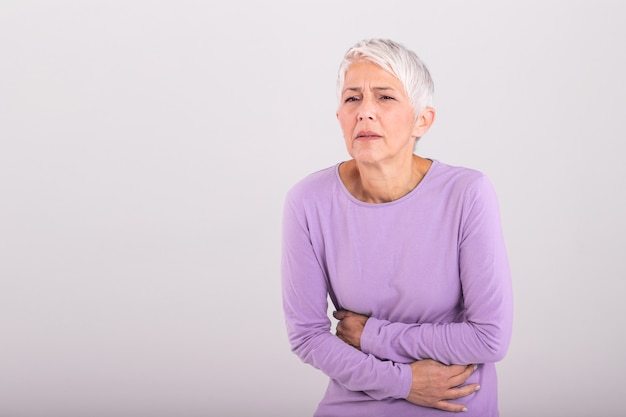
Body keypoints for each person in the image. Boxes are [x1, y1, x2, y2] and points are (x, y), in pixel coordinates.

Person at [281, 38, 513, 416]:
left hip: (451, 399)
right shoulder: (307, 201)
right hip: (354, 402)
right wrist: (403, 382)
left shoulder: (467, 193)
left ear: (422, 120)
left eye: (385, 98)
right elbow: (307, 336)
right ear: (339, 115)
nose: (365, 112)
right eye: (352, 98)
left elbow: (489, 338)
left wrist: (373, 335)